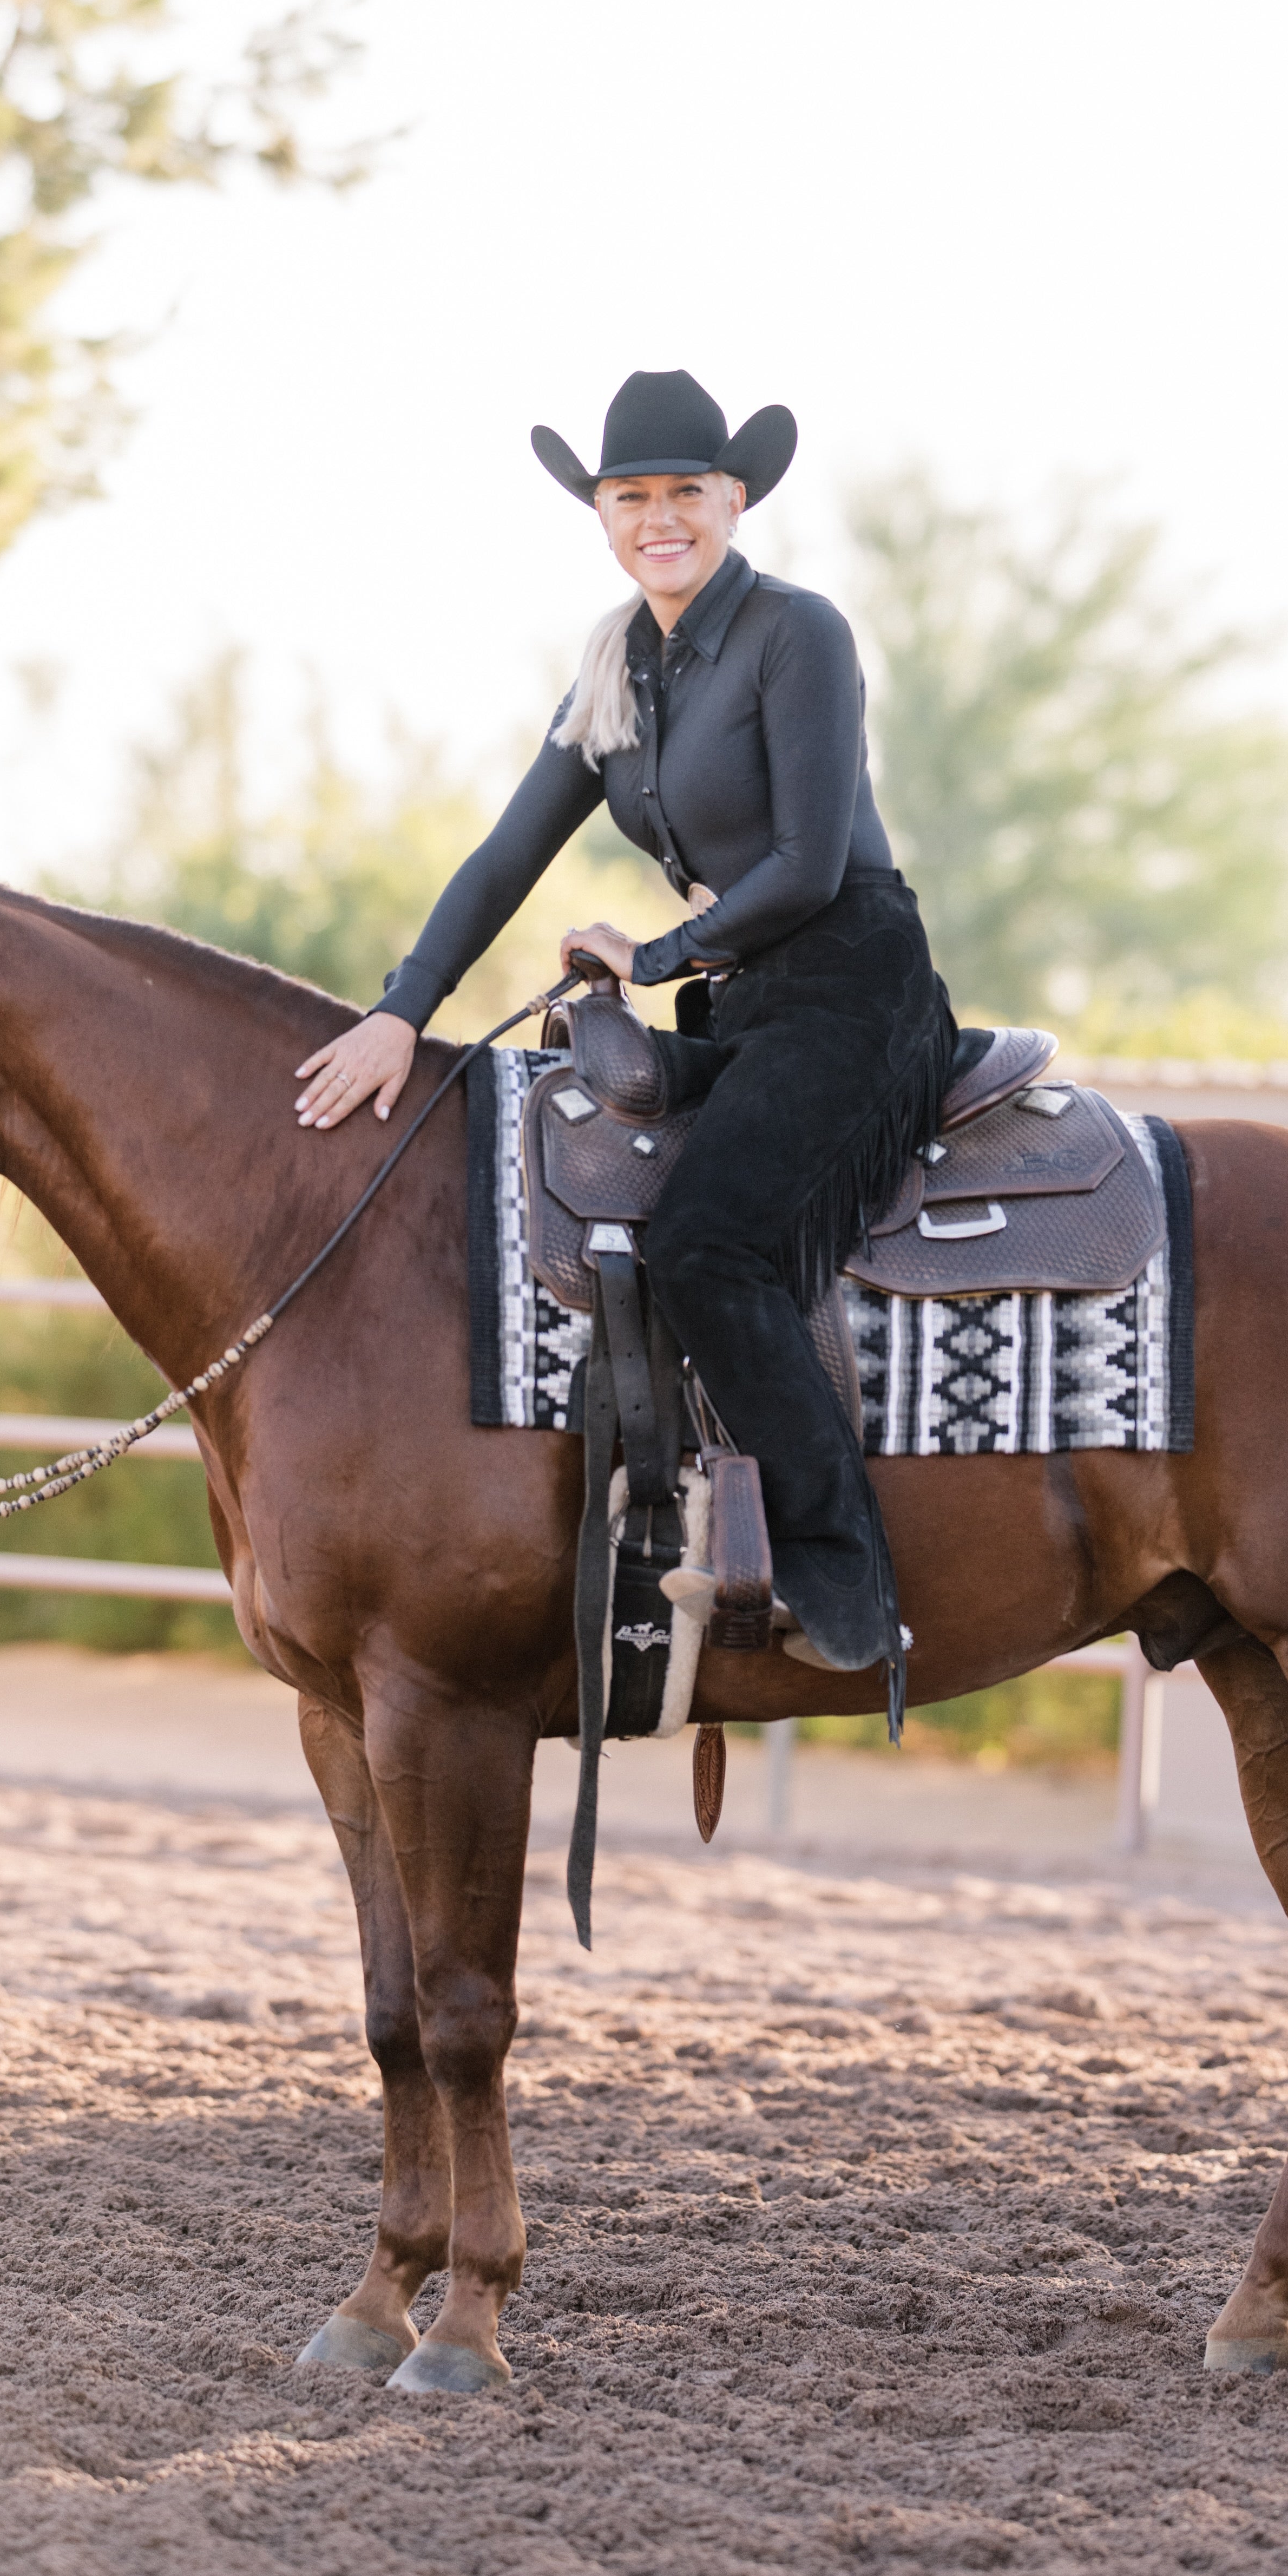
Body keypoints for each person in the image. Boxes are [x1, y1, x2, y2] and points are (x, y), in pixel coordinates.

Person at [294, 368, 951, 1680]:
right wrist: (395, 1013)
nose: (660, 518)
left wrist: (647, 953)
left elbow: (812, 865)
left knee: (709, 1243)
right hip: (743, 999)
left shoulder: (794, 632)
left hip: (851, 983)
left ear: (734, 499)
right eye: (629, 496)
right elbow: (499, 861)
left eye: (684, 494)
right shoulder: (613, 670)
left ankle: (841, 1577)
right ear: (600, 515)